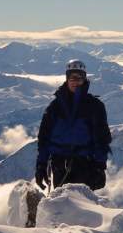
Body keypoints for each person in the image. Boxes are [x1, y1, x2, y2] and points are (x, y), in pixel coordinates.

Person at [35, 59, 112, 191]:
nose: (76, 81)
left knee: (81, 206)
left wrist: (100, 165)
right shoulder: (54, 107)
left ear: (84, 79)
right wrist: (41, 166)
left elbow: (102, 138)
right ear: (67, 79)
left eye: (79, 78)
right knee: (61, 205)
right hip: (59, 165)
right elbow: (44, 139)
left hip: (85, 165)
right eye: (72, 78)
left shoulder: (95, 106)